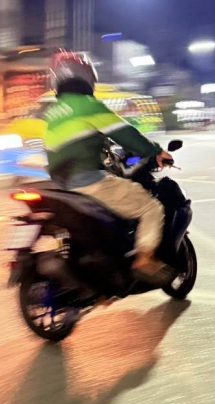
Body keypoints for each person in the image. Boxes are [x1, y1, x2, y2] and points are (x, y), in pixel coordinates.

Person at [43, 50, 173, 283]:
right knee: (150, 208)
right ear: (86, 76)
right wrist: (155, 151)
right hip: (88, 181)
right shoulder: (87, 105)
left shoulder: (53, 113)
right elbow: (125, 133)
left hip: (62, 186)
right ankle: (144, 259)